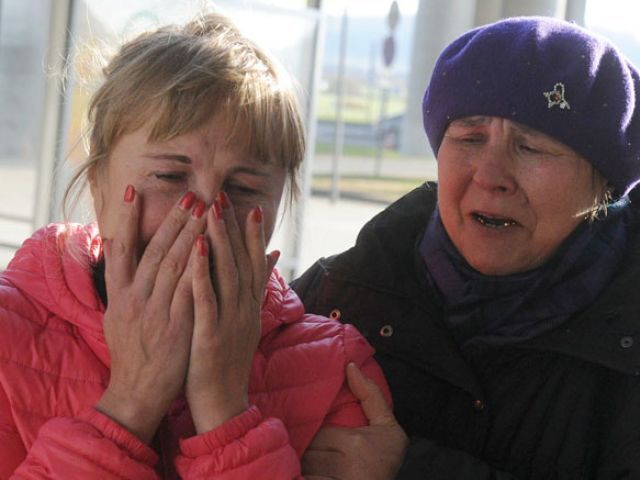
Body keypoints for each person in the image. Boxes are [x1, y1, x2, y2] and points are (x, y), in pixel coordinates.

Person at [0, 13, 391, 478]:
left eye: (244, 187)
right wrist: (131, 400)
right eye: (169, 177)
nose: (206, 215)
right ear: (99, 186)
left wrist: (224, 409)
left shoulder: (338, 369)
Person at [293, 16, 640, 479]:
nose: (490, 175)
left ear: (604, 184)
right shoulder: (337, 296)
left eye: (531, 147)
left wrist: (408, 471)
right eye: (469, 138)